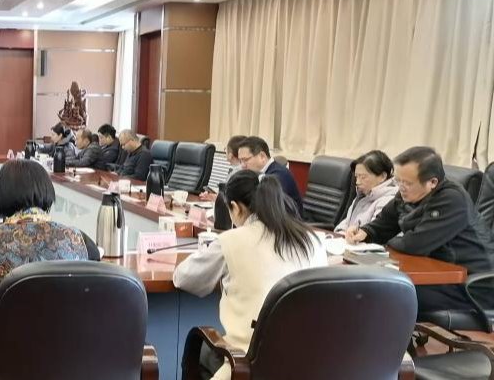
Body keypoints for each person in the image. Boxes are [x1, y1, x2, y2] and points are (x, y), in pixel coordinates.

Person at [172, 170, 327, 380]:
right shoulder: (313, 240)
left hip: (249, 363)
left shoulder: (232, 240)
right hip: (309, 362)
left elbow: (184, 278)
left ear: (235, 208)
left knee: (200, 350)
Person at [345, 147, 494, 314]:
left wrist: (386, 244)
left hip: (471, 287)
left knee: (385, 293)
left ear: (432, 182)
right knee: (365, 285)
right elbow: (384, 224)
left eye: (407, 183)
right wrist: (365, 232)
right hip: (437, 276)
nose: (401, 187)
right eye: (398, 181)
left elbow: (414, 245)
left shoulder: (452, 199)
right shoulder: (407, 194)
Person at [0, 159, 101, 324]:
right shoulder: (80, 239)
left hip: (11, 339)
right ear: (47, 190)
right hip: (76, 338)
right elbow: (96, 300)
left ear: (2, 194)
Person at [236, 136, 303, 215]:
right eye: (240, 161)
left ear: (262, 156)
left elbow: (267, 207)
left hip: (289, 220)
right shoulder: (258, 173)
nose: (242, 165)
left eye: (245, 160)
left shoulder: (278, 176)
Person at [334, 150, 398, 232]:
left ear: (382, 176)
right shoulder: (363, 195)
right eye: (356, 177)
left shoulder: (389, 201)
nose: (357, 182)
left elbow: (374, 233)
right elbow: (348, 221)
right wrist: (340, 232)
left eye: (363, 177)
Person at [200, 135, 247, 201]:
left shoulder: (237, 173)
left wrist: (216, 198)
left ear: (230, 155)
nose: (225, 151)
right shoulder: (245, 169)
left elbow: (230, 199)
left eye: (226, 149)